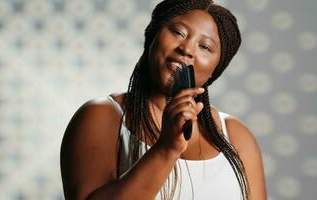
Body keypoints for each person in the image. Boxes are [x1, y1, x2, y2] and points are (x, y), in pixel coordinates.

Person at [60, 0, 267, 199]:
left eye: (205, 46)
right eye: (178, 32)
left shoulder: (236, 135)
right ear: (152, 37)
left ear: (216, 69)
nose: (187, 49)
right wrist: (167, 148)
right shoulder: (102, 116)